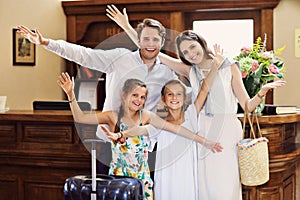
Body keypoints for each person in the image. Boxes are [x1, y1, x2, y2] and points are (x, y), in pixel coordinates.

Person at [105, 5, 286, 200]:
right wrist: (126, 26)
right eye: (185, 52)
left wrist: (262, 92)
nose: (191, 53)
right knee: (203, 187)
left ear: (201, 43)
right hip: (201, 127)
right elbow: (154, 51)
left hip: (227, 129)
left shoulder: (230, 66)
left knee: (226, 186)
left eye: (192, 47)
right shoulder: (190, 71)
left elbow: (248, 106)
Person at [57, 72, 222, 200]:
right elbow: (81, 118)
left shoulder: (147, 116)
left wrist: (205, 142)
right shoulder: (113, 116)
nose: (139, 100)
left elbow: (175, 129)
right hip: (119, 180)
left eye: (143, 97)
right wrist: (71, 95)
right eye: (135, 95)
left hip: (142, 180)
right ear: (124, 95)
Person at [102, 79, 223, 200]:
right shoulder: (159, 124)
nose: (174, 97)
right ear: (163, 98)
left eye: (179, 94)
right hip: (166, 179)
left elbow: (204, 90)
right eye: (170, 94)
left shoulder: (191, 116)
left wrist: (215, 66)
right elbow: (140, 130)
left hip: (188, 177)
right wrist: (120, 134)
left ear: (185, 97)